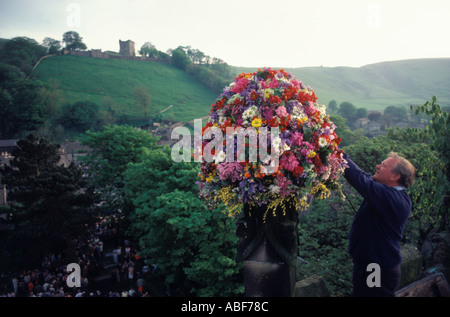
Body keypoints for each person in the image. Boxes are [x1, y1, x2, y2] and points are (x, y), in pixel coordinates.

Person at [343, 151, 416, 297]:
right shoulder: (388, 193)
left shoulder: (392, 199)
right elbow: (364, 177)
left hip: (376, 268)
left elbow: (360, 180)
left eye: (382, 165)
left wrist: (339, 156)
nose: (377, 166)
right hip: (371, 265)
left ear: (395, 176)